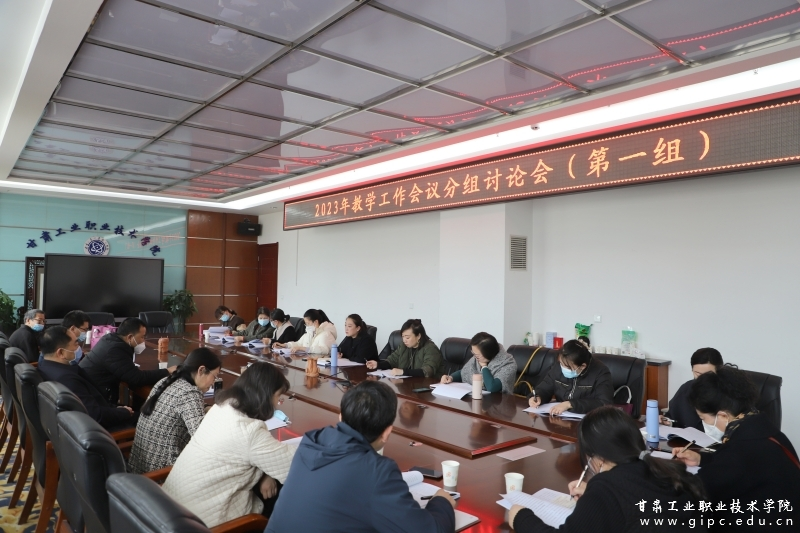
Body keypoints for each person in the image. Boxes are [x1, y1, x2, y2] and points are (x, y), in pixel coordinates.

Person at [266, 381, 456, 533]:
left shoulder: (311, 442)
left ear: (341, 417)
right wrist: (441, 502)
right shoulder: (376, 472)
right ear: (387, 433)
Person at [510, 406, 705, 532]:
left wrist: (520, 517)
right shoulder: (666, 470)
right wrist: (594, 496)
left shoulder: (605, 488)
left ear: (598, 457)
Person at [163, 362, 296, 527]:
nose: (277, 404)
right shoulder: (250, 432)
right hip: (206, 523)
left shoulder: (222, 407)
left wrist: (267, 473)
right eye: (278, 397)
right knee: (286, 496)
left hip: (170, 509)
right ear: (265, 396)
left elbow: (243, 452)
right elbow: (292, 465)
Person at [674, 366, 800, 530]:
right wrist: (701, 458)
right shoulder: (762, 429)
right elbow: (738, 468)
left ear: (723, 415)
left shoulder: (741, 450)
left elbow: (697, 490)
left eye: (702, 418)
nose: (703, 423)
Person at [128, 348, 222, 474]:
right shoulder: (190, 392)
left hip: (138, 469)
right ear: (201, 370)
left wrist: (205, 408)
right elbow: (202, 438)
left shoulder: (166, 381)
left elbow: (182, 405)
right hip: (160, 474)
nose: (213, 383)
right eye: (214, 377)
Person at [38, 326, 135, 431]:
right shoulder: (67, 379)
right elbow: (95, 416)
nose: (79, 347)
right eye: (76, 344)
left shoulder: (46, 366)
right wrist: (124, 412)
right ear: (61, 353)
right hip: (100, 430)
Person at [80, 317, 175, 404]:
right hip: (93, 399)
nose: (143, 341)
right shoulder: (115, 350)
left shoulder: (110, 339)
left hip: (91, 392)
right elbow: (136, 378)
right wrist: (167, 371)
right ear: (130, 337)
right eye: (142, 337)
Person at [527, 339, 613, 415]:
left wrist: (570, 404)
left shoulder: (600, 372)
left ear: (582, 366)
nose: (562, 368)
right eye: (561, 363)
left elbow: (604, 403)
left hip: (587, 420)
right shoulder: (558, 367)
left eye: (568, 367)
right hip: (560, 416)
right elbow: (545, 388)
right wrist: (538, 397)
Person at [660, 348, 723, 430]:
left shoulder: (728, 394)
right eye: (698, 374)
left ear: (719, 371)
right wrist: (667, 422)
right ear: (692, 370)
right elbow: (674, 419)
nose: (702, 379)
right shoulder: (686, 389)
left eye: (707, 375)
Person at [440, 332, 517, 393]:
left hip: (498, 404)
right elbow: (464, 372)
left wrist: (484, 367)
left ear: (488, 353)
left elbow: (492, 388)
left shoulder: (508, 364)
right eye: (473, 353)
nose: (474, 357)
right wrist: (450, 378)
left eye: (476, 355)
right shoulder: (478, 358)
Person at [366, 319, 443, 378]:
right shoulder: (404, 346)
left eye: (407, 337)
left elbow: (427, 371)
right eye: (403, 337)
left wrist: (403, 372)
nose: (404, 340)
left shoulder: (430, 348)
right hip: (410, 384)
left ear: (418, 336)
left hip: (428, 386)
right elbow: (392, 360)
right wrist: (378, 364)